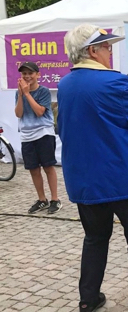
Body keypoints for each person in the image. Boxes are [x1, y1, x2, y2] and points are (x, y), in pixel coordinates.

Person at [57, 25, 128, 312]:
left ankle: (88, 300)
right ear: (92, 51)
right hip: (124, 177)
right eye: (106, 47)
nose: (111, 51)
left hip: (85, 180)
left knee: (95, 238)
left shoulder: (65, 85)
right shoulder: (115, 84)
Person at [14, 61, 61, 215]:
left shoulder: (44, 91)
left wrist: (27, 94)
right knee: (33, 169)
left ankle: (55, 199)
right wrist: (21, 95)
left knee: (48, 167)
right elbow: (19, 114)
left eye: (30, 73)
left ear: (38, 75)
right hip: (27, 135)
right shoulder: (18, 92)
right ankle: (42, 200)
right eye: (24, 74)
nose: (27, 76)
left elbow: (40, 112)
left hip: (43, 133)